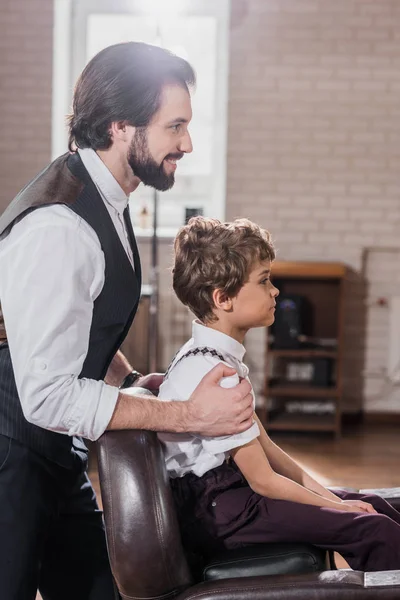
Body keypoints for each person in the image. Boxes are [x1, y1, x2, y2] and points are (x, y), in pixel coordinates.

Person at [0, 43, 254, 600]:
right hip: (12, 448)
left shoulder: (107, 196)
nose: (187, 144)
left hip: (55, 445)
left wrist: (131, 381)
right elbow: (44, 393)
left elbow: (79, 327)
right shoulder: (59, 227)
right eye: (175, 127)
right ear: (120, 125)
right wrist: (187, 414)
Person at [158, 216, 400, 573]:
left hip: (233, 496)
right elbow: (264, 480)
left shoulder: (214, 356)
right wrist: (341, 511)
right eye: (264, 280)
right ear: (223, 298)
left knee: (376, 507)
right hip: (220, 511)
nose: (276, 291)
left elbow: (270, 452)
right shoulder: (216, 374)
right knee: (377, 531)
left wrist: (337, 500)